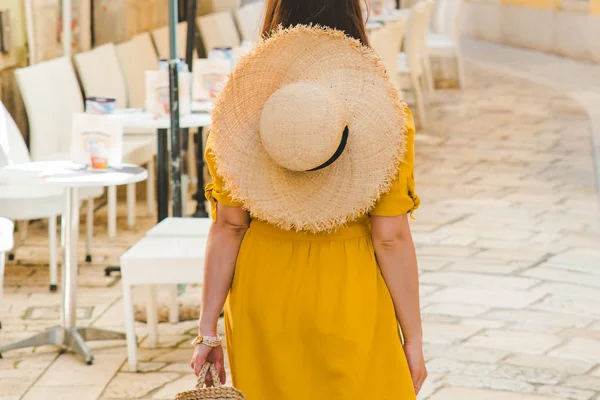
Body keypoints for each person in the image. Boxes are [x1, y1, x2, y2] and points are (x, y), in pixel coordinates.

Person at [190, 1, 427, 398]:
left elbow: (229, 227)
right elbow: (391, 237)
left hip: (262, 293)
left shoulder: (239, 115)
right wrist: (414, 338)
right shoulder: (386, 118)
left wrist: (207, 331)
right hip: (349, 293)